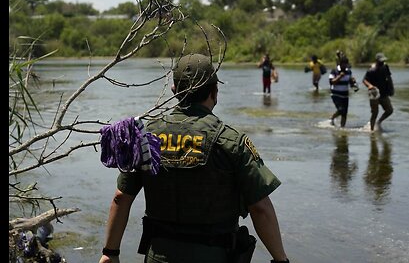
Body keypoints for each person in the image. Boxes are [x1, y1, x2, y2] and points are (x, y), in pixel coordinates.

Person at [99, 53, 289, 263]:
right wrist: (281, 259)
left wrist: (110, 253)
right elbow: (260, 208)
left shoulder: (146, 137)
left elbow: (121, 197)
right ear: (215, 91)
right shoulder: (231, 141)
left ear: (174, 91)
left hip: (159, 257)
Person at [362, 52, 394, 131]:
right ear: (376, 61)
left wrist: (391, 88)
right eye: (380, 62)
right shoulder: (371, 70)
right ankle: (372, 131)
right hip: (374, 93)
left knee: (389, 110)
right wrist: (369, 86)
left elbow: (389, 78)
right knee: (375, 113)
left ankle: (379, 122)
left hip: (383, 93)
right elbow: (364, 80)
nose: (382, 63)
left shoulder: (385, 67)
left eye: (383, 61)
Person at [328, 56, 359, 128]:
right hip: (336, 94)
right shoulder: (334, 71)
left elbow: (350, 82)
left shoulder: (348, 71)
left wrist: (353, 83)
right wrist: (340, 76)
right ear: (340, 64)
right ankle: (332, 118)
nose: (345, 66)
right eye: (344, 64)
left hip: (345, 95)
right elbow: (331, 82)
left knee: (344, 113)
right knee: (341, 110)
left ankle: (342, 128)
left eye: (346, 64)